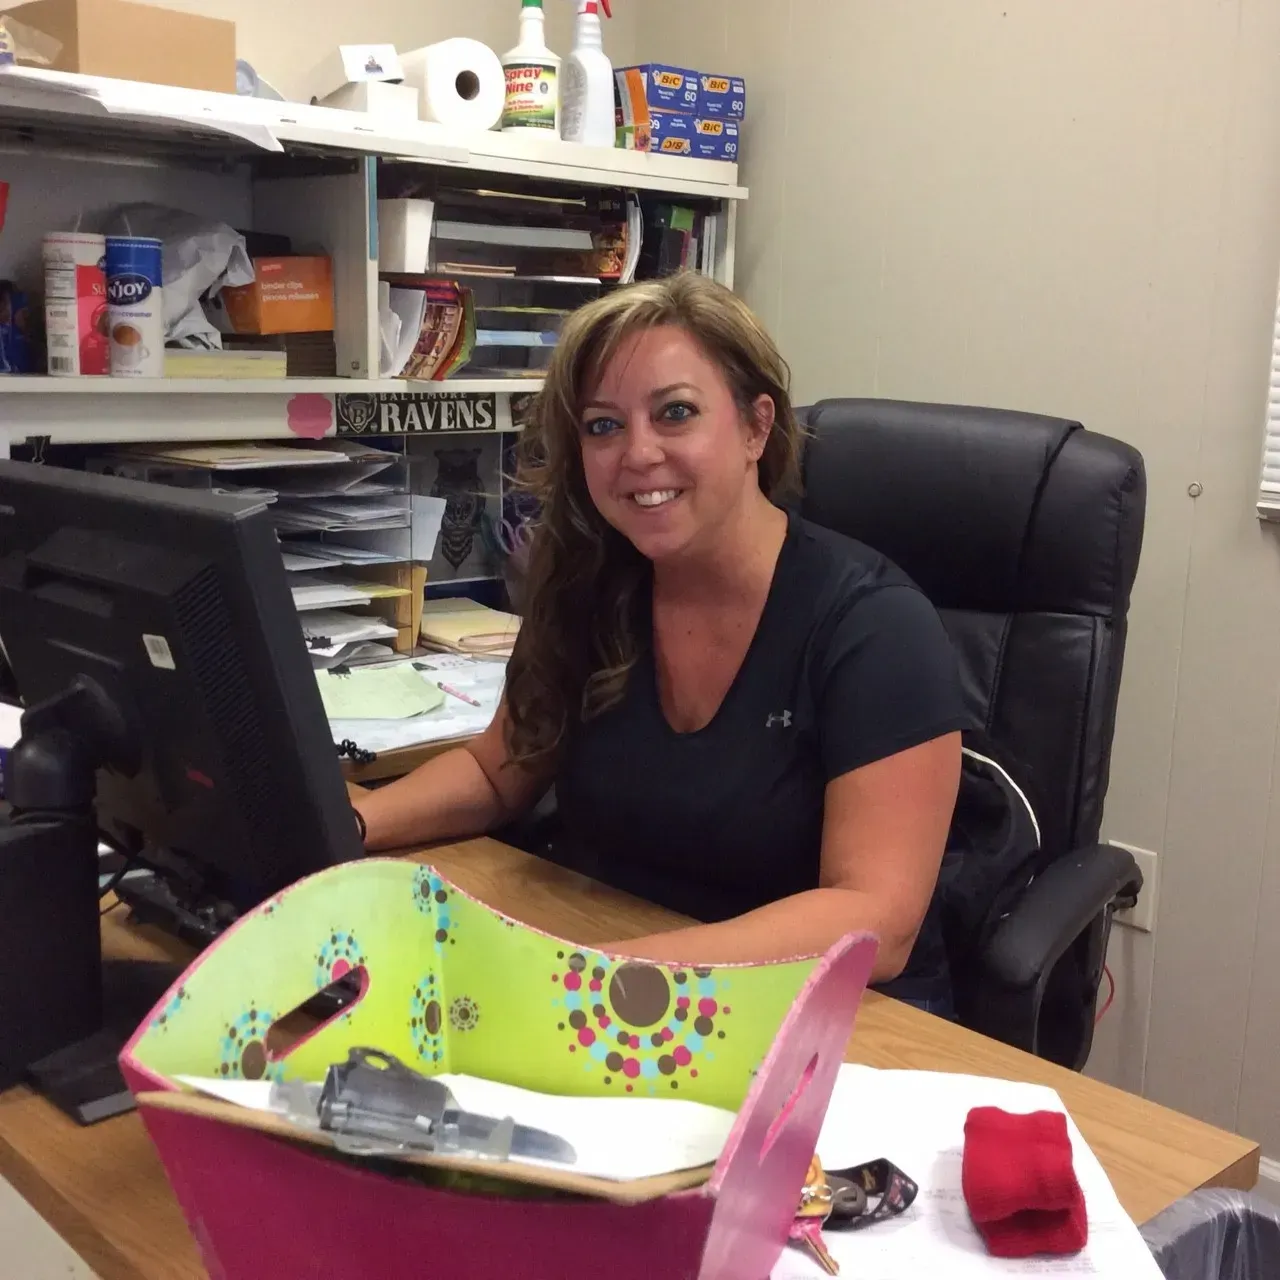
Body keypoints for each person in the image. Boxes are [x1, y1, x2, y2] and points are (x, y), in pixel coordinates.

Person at [354, 273, 968, 1012]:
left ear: (755, 427)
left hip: (830, 1024)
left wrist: (606, 973)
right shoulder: (592, 586)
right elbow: (497, 776)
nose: (637, 454)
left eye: (675, 413)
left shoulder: (874, 625)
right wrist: (344, 827)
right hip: (623, 978)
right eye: (603, 426)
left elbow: (875, 918)